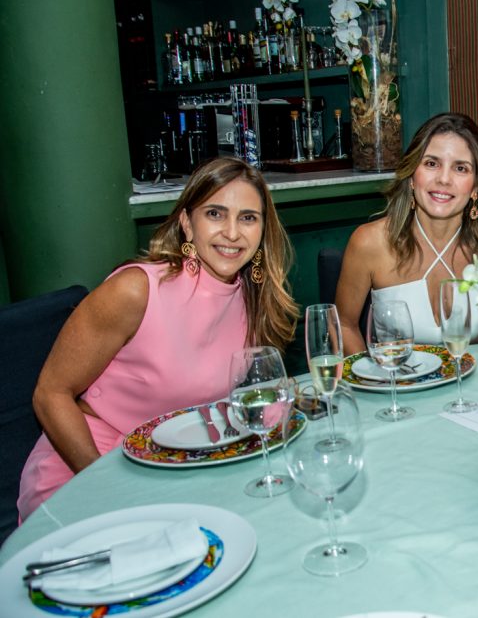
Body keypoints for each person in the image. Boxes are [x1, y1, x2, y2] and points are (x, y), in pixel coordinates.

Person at [18, 157, 300, 518]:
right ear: (186, 223)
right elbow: (49, 394)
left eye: (248, 217)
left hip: (174, 469)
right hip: (89, 467)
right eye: (215, 214)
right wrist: (102, 483)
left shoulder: (254, 298)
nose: (232, 232)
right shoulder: (136, 290)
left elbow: (239, 401)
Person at [336, 112, 478, 353]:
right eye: (431, 163)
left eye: (460, 168)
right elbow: (344, 324)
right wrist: (368, 382)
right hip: (393, 384)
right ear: (412, 175)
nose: (444, 179)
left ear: (475, 186)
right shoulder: (369, 243)